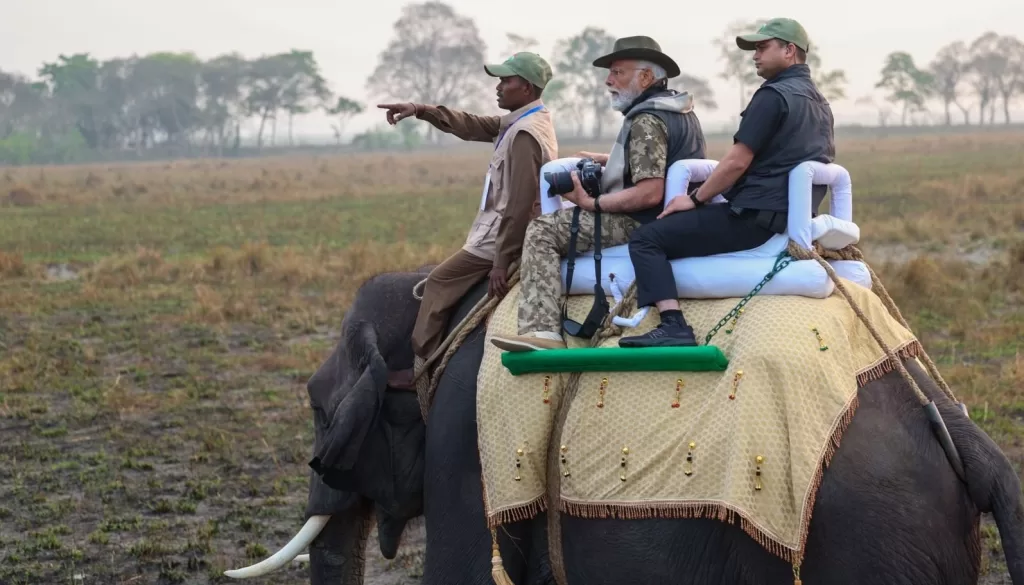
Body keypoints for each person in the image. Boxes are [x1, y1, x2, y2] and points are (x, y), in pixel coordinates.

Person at [617, 17, 837, 348]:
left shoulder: (773, 96)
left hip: (754, 218)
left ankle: (673, 325)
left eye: (762, 48)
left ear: (789, 50)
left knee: (648, 239)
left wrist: (695, 199)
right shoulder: (818, 101)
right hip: (788, 215)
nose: (754, 56)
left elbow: (736, 161)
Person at [489, 36, 707, 353]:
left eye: (617, 72)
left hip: (642, 220)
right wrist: (615, 161)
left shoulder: (647, 119)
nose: (608, 81)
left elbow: (649, 193)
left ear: (645, 77)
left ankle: (542, 332)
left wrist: (591, 202)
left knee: (542, 229)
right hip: (674, 217)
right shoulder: (680, 109)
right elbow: (659, 163)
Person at [377, 52, 559, 386]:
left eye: (506, 81)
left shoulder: (524, 135)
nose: (499, 87)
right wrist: (420, 110)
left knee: (439, 281)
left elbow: (518, 207)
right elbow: (471, 124)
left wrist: (502, 262)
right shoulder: (522, 122)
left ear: (527, 88)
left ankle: (422, 369)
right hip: (496, 232)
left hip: (499, 240)